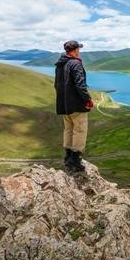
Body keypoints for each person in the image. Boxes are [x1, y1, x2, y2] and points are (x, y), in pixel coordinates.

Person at [54, 40, 94, 172]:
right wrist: (87, 100)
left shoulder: (60, 64)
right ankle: (75, 159)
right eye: (78, 49)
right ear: (75, 50)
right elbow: (80, 84)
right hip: (76, 105)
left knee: (68, 129)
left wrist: (64, 100)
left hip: (64, 105)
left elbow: (56, 85)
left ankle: (68, 157)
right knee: (80, 129)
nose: (79, 51)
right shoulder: (75, 63)